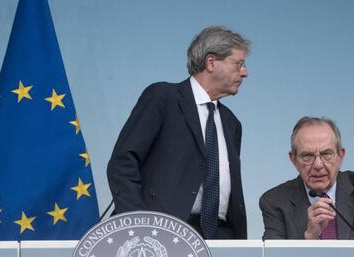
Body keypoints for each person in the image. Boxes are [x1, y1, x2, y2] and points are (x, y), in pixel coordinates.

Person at [107, 26, 250, 239]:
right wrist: (137, 223)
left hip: (221, 236)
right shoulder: (164, 97)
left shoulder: (231, 123)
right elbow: (123, 163)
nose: (245, 72)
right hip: (162, 231)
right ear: (211, 62)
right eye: (238, 64)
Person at [259, 116, 354, 240]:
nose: (318, 165)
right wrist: (309, 238)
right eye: (307, 156)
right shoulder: (274, 201)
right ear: (293, 159)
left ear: (340, 156)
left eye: (326, 154)